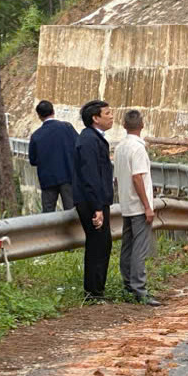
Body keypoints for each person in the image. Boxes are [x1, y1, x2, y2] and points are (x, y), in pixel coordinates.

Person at [114, 110, 161, 306]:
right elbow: (137, 177)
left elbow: (118, 179)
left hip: (126, 203)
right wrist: (147, 206)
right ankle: (139, 289)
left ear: (124, 125)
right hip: (138, 206)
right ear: (141, 125)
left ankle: (127, 285)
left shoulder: (120, 147)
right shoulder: (138, 149)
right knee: (139, 248)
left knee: (127, 246)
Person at [74, 100, 114, 302]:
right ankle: (93, 293)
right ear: (95, 118)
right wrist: (97, 207)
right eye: (107, 113)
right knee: (98, 245)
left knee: (103, 244)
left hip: (96, 200)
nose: (111, 116)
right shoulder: (88, 140)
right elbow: (90, 175)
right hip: (92, 202)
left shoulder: (94, 138)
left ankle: (97, 290)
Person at [28, 100, 79, 213]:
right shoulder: (67, 127)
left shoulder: (36, 136)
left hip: (47, 178)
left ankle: (50, 231)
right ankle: (72, 231)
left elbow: (33, 160)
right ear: (53, 111)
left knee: (48, 212)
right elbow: (79, 147)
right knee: (71, 211)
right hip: (68, 175)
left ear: (39, 116)